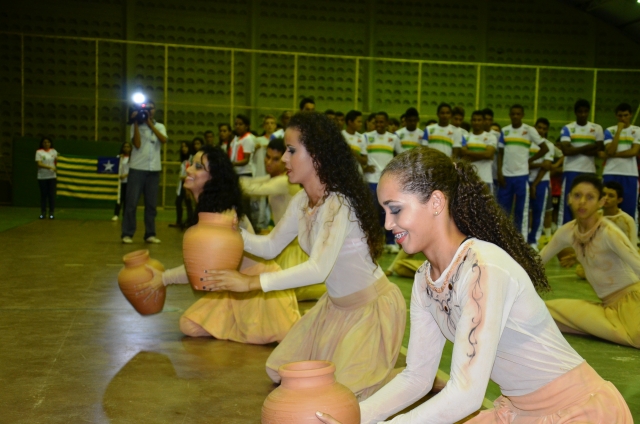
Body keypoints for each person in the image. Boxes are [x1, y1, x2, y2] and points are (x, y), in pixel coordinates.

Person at [316, 147, 632, 424]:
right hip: (519, 412)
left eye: (396, 209)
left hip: (576, 412)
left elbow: (466, 396)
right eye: (384, 211)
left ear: (436, 202)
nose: (387, 224)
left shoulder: (485, 268)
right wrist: (356, 416)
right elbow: (416, 378)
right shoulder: (425, 279)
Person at [201, 112, 406, 401]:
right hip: (333, 310)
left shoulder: (339, 203)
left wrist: (250, 283)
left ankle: (411, 377)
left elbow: (318, 269)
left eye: (292, 150)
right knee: (278, 370)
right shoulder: (301, 201)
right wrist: (234, 233)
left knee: (346, 394)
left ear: (318, 156)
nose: (284, 158)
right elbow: (271, 246)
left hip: (369, 311)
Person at [139, 145, 300, 344]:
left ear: (213, 178)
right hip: (232, 287)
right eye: (192, 164)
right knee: (189, 325)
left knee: (272, 336)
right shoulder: (207, 209)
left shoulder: (226, 215)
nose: (189, 170)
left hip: (259, 288)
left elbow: (205, 272)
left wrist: (164, 279)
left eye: (198, 167)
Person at [540, 175, 640, 350]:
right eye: (577, 196)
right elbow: (537, 263)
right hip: (607, 309)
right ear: (569, 198)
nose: (582, 202)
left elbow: (638, 266)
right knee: (541, 312)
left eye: (590, 197)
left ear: (601, 201)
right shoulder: (567, 231)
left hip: (632, 302)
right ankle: (609, 329)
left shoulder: (609, 232)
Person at [241, 138, 325, 301]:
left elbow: (251, 189)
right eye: (267, 157)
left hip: (295, 246)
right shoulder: (275, 178)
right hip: (286, 243)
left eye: (275, 159)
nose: (269, 162)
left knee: (285, 292)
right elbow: (252, 182)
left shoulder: (283, 181)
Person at [497, 104, 549, 239]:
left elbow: (544, 148)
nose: (515, 116)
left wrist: (530, 161)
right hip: (506, 176)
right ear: (509, 115)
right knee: (503, 210)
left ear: (522, 115)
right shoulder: (505, 131)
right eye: (513, 114)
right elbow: (500, 153)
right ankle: (503, 238)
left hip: (522, 177)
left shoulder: (529, 130)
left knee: (522, 210)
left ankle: (522, 239)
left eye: (518, 114)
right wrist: (499, 172)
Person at [121, 100, 167, 244]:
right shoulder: (135, 126)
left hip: (154, 170)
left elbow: (164, 140)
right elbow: (137, 144)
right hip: (137, 169)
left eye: (151, 108)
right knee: (131, 203)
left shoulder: (160, 126)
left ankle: (150, 234)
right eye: (146, 108)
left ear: (154, 110)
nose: (148, 110)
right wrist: (135, 122)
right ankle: (127, 233)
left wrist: (149, 124)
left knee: (151, 205)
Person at [558, 99, 604, 224]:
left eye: (585, 112)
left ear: (588, 112)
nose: (582, 114)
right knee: (569, 202)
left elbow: (599, 149)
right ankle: (566, 234)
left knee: (589, 202)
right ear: (576, 112)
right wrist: (588, 147)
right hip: (570, 170)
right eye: (580, 112)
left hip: (589, 170)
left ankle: (587, 231)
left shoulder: (596, 128)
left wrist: (575, 149)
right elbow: (566, 151)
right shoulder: (568, 128)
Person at [365, 111, 404, 253]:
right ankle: (373, 243)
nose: (379, 124)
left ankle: (390, 241)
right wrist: (365, 167)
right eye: (377, 122)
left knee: (389, 212)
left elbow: (400, 156)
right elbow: (361, 156)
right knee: (372, 213)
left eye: (382, 122)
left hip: (387, 182)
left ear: (387, 123)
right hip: (371, 180)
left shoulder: (393, 138)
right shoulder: (366, 137)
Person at [601, 103, 640, 221]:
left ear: (630, 115)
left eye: (625, 115)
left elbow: (634, 151)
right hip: (610, 173)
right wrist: (618, 131)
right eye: (620, 116)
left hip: (630, 174)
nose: (623, 118)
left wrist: (612, 155)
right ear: (616, 116)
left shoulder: (637, 130)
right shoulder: (609, 131)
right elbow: (610, 149)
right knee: (607, 207)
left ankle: (628, 238)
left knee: (629, 209)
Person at [527, 118, 555, 250]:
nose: (541, 131)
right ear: (534, 128)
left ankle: (534, 240)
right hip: (526, 179)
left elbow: (547, 166)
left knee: (539, 212)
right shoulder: (527, 143)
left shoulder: (549, 145)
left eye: (544, 128)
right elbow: (524, 164)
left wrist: (534, 185)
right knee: (525, 212)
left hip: (541, 182)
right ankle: (523, 238)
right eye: (539, 128)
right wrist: (538, 164)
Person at [460, 110, 497, 194]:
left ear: (483, 121)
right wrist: (484, 155)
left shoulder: (491, 137)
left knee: (487, 206)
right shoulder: (465, 137)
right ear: (471, 121)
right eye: (474, 120)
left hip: (486, 179)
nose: (476, 122)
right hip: (469, 179)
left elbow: (489, 154)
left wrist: (468, 152)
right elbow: (463, 156)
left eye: (479, 120)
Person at [169, 141, 193, 229]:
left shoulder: (192, 158)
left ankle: (190, 221)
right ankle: (179, 221)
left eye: (186, 146)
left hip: (188, 182)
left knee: (187, 202)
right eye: (182, 146)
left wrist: (185, 178)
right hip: (183, 182)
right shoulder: (183, 159)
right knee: (179, 202)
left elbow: (192, 172)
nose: (183, 148)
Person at [35, 137, 58, 220]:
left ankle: (51, 213)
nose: (46, 144)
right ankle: (43, 213)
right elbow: (39, 164)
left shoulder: (54, 151)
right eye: (44, 142)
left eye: (48, 142)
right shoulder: (39, 152)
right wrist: (50, 167)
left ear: (50, 143)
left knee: (51, 195)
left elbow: (58, 160)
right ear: (42, 143)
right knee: (44, 195)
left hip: (52, 176)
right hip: (42, 177)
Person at [112, 142, 131, 221]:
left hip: (129, 181)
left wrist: (126, 175)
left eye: (128, 147)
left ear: (130, 148)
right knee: (120, 198)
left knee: (127, 199)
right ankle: (116, 214)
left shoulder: (133, 158)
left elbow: (133, 170)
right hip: (120, 182)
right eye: (124, 147)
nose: (126, 148)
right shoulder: (119, 157)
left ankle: (125, 215)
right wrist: (119, 158)